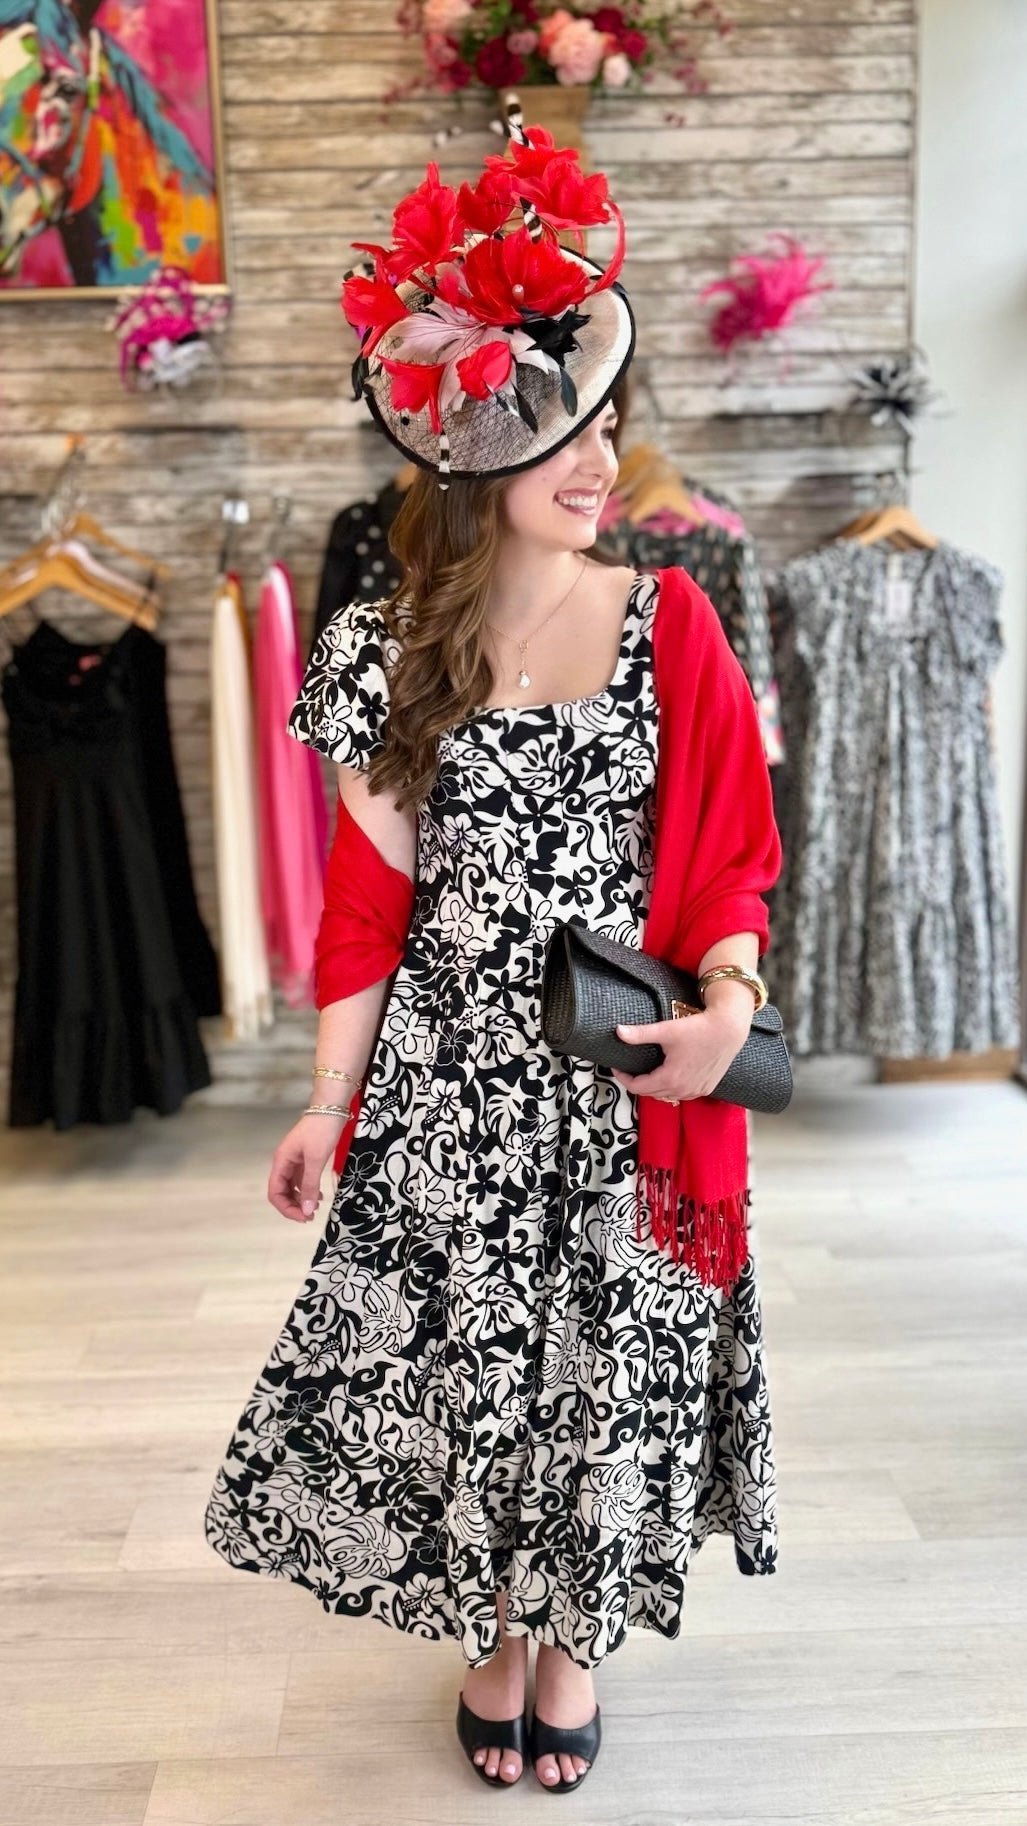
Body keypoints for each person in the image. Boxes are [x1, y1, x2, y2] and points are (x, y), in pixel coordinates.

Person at [205, 112, 782, 1794]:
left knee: (602, 1364)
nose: (601, 460)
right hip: (450, 1090)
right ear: (470, 446)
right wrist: (328, 1102)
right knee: (469, 1370)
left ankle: (569, 1637)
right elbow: (364, 906)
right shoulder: (383, 646)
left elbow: (734, 858)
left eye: (607, 422)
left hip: (620, 1084)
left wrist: (728, 1008)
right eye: (561, 430)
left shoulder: (673, 623)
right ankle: (491, 1620)